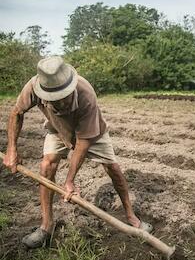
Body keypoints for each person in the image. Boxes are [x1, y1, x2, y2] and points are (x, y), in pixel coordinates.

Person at [2, 56, 152, 249]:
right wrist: (11, 149)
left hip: (91, 133)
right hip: (57, 130)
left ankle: (132, 217)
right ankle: (46, 227)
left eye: (63, 96)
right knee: (46, 166)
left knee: (112, 168)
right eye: (54, 99)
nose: (61, 102)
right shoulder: (33, 87)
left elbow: (83, 142)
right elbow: (17, 113)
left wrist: (69, 181)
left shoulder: (85, 93)